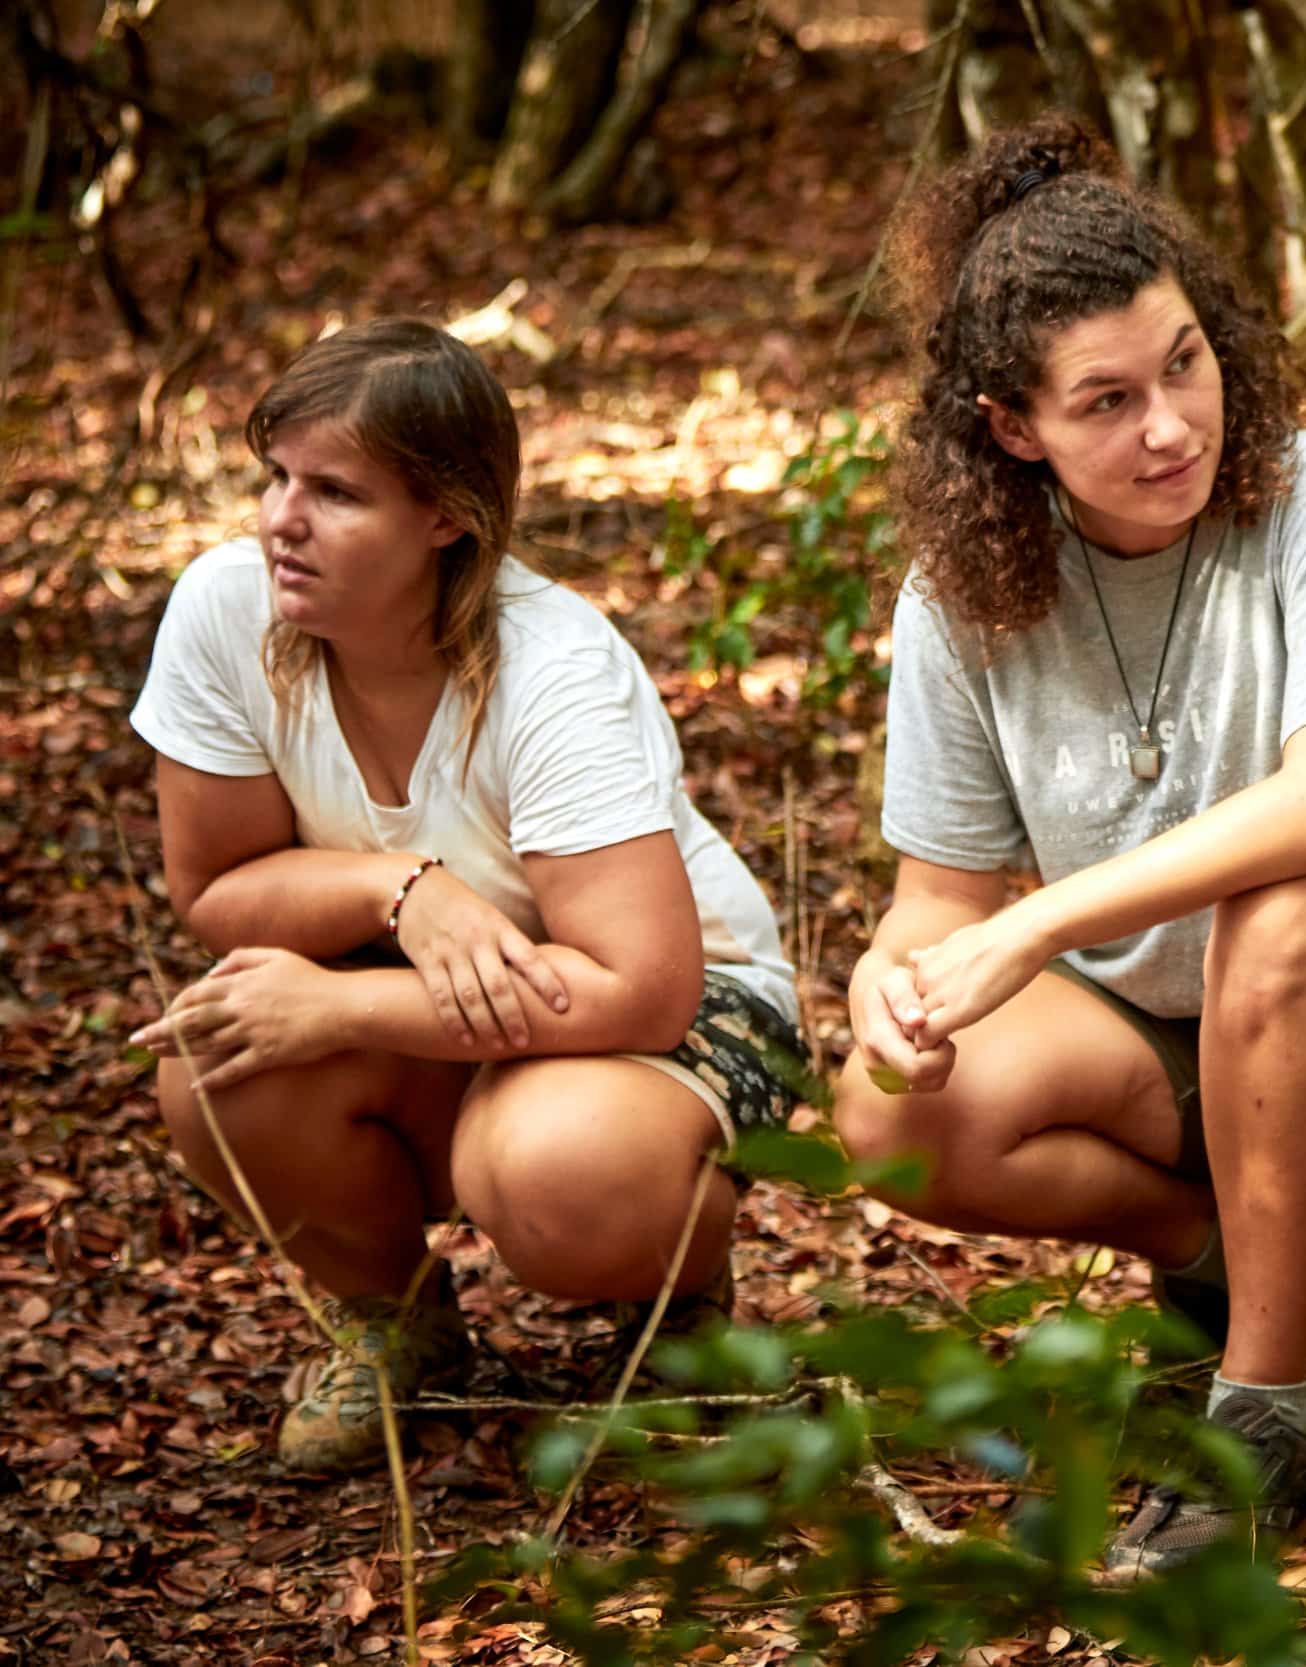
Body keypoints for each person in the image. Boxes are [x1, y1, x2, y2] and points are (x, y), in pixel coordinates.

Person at [829, 115, 1306, 1576]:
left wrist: (1038, 927)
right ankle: (1211, 1246)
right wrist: (883, 993)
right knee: (885, 1115)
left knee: (1280, 914)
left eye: (1183, 363)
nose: (1168, 425)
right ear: (1011, 426)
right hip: (1155, 1046)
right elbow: (937, 903)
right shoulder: (962, 592)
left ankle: (1262, 1414)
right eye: (1104, 400)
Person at [129, 319, 807, 1475]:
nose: (282, 519)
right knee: (214, 1063)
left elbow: (641, 988)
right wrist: (399, 886)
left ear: (446, 516)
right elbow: (214, 886)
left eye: (335, 491)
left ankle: (677, 1296)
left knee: (553, 1171)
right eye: (276, 476)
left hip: (674, 1011)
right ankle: (395, 1314)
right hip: (441, 989)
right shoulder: (225, 609)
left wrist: (343, 1010)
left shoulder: (554, 668)